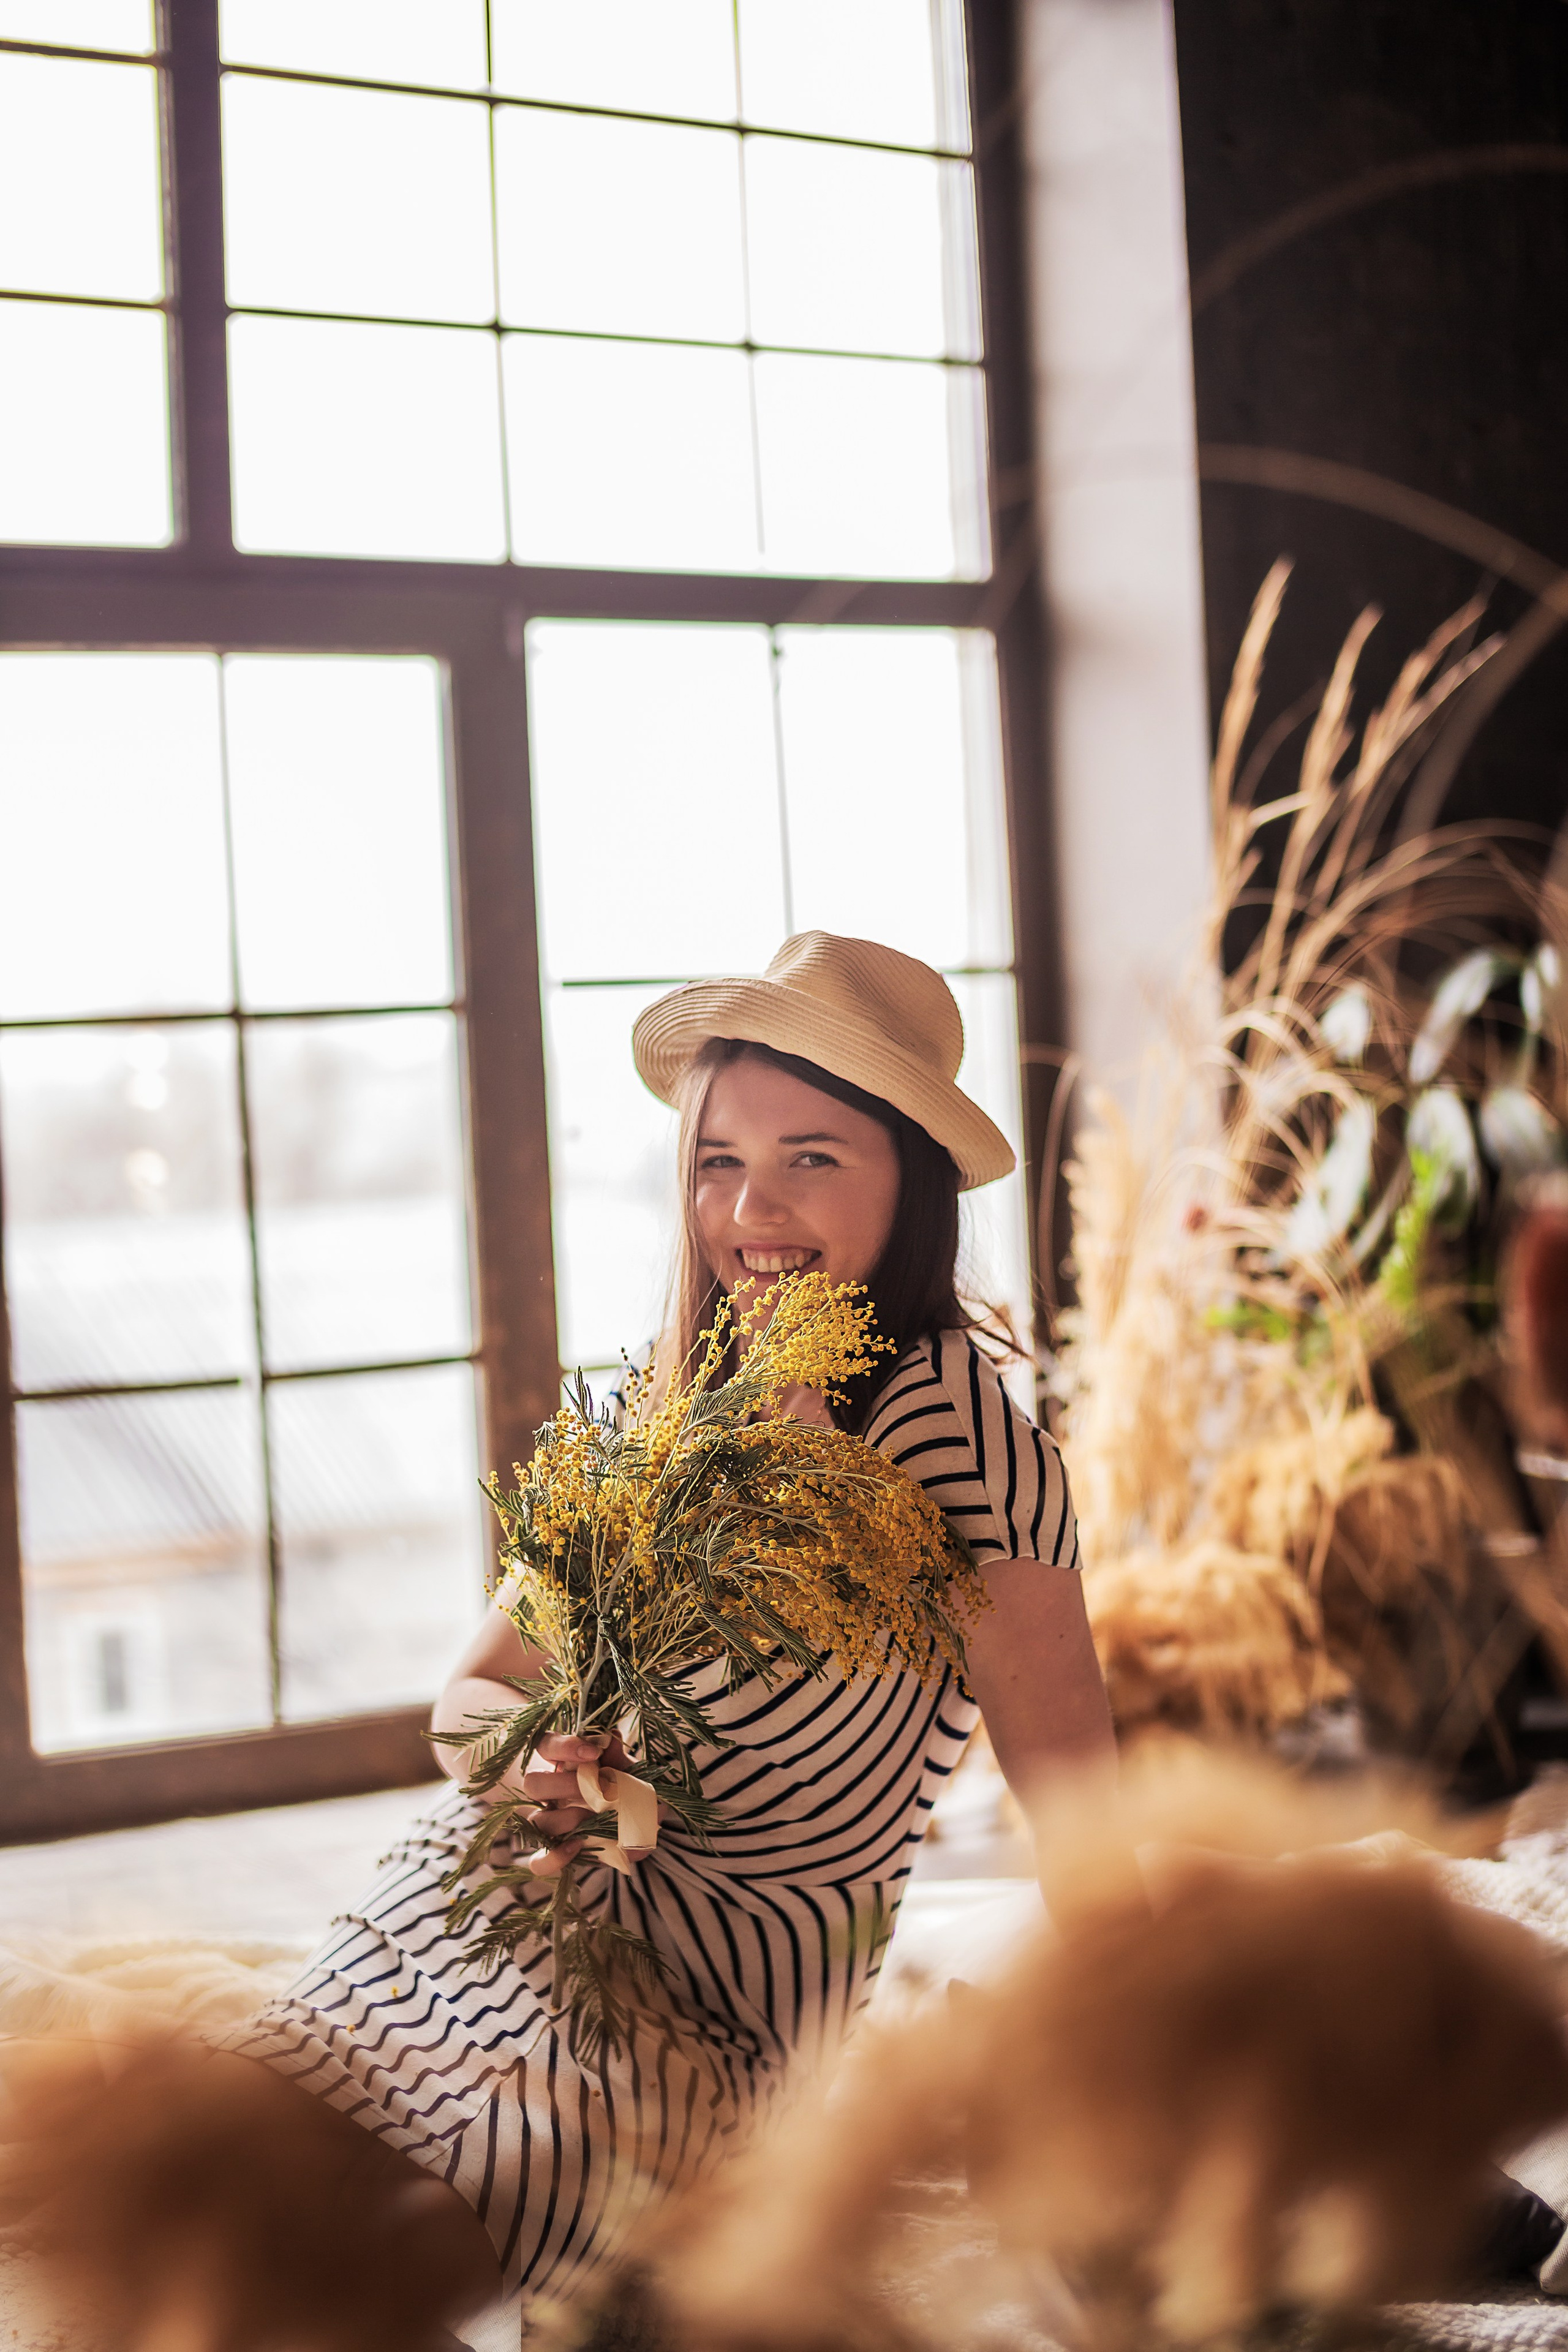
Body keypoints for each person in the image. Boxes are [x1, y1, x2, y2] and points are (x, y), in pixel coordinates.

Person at [216, 932, 1112, 2328]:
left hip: (716, 2005)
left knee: (379, 2264)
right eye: (717, 1159)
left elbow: (1084, 1820)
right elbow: (466, 1697)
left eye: (812, 1157)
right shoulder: (659, 1404)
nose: (750, 1206)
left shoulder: (959, 1446)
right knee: (228, 2193)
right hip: (501, 1908)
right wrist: (526, 1764)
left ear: (907, 1182)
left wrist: (1206, 2087)